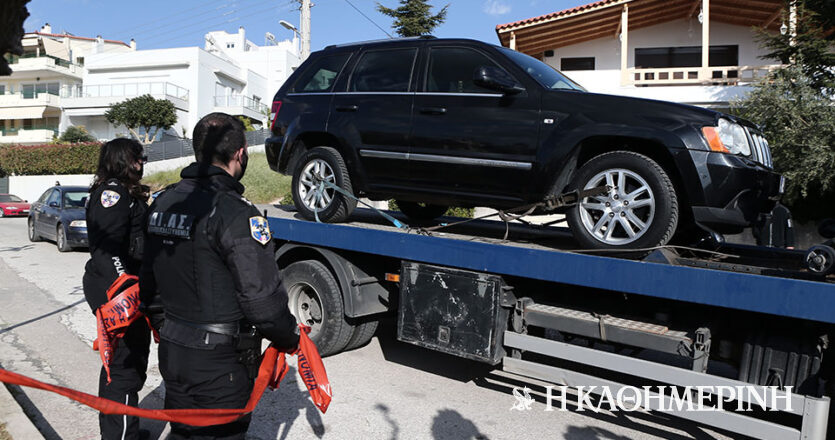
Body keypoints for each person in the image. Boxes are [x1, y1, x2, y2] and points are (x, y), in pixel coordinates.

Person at [140, 113, 299, 439]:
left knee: (183, 432)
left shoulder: (162, 204)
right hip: (220, 364)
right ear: (241, 153)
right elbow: (262, 303)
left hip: (174, 351)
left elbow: (148, 285)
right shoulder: (236, 213)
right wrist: (290, 338)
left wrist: (166, 327)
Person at [82, 138, 150, 440]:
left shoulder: (124, 193)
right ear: (124, 160)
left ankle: (123, 431)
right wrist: (125, 290)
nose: (143, 163)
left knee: (126, 363)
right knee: (123, 368)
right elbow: (106, 249)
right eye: (138, 158)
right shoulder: (113, 194)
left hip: (123, 290)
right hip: (117, 293)